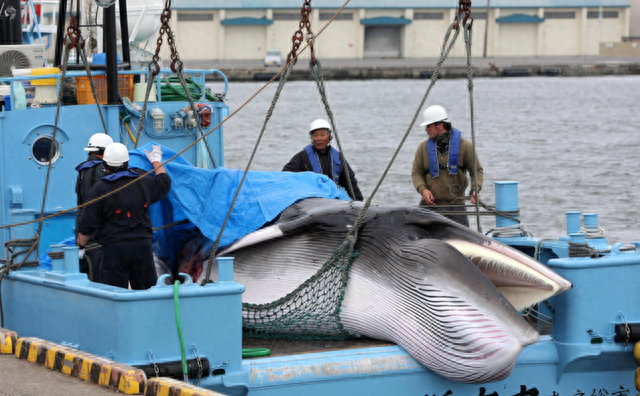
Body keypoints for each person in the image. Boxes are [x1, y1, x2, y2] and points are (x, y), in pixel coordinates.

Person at [76, 143, 171, 289]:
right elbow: (164, 182)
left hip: (114, 250)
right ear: (127, 163)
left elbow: (87, 223)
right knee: (146, 293)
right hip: (142, 248)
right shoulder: (143, 182)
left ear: (105, 166)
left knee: (112, 293)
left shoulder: (100, 189)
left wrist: (81, 247)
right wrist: (156, 160)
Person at [411, 105, 483, 227]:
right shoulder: (422, 148)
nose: (426, 130)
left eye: (429, 126)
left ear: (440, 125)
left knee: (461, 242)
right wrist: (423, 190)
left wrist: (475, 189)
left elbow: (476, 170)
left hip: (456, 208)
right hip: (430, 207)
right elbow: (416, 173)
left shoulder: (465, 146)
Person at [282, 119, 363, 201]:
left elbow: (350, 181)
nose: (319, 139)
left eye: (322, 135)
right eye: (315, 135)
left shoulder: (338, 157)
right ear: (312, 138)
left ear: (329, 137)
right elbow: (286, 176)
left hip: (333, 200)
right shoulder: (302, 157)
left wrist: (358, 201)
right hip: (311, 201)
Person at [75, 133, 113, 281]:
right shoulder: (102, 170)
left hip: (83, 228)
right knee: (100, 273)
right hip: (97, 232)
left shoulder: (83, 171)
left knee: (86, 269)